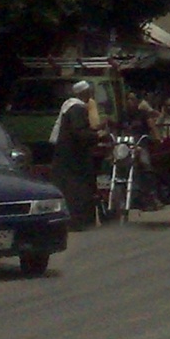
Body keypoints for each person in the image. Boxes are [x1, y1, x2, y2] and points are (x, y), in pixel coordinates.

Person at [50, 81, 102, 229]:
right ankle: (78, 221)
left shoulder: (70, 106)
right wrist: (97, 136)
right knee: (77, 190)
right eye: (89, 92)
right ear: (84, 93)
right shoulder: (77, 108)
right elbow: (79, 133)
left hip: (67, 156)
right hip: (74, 158)